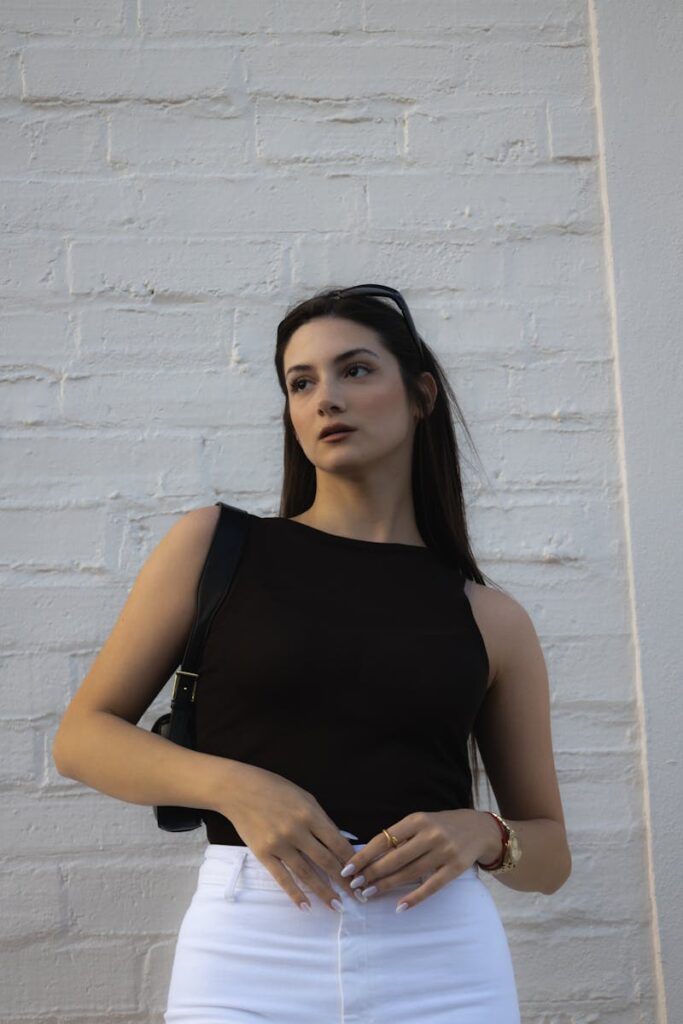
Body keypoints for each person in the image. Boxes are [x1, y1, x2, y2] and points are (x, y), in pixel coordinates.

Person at [52, 284, 572, 1023]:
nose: (326, 397)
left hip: (441, 959)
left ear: (420, 395)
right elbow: (81, 738)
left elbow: (549, 858)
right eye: (301, 383)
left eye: (354, 370)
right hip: (248, 952)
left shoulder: (491, 618)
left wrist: (483, 832)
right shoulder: (217, 547)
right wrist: (237, 788)